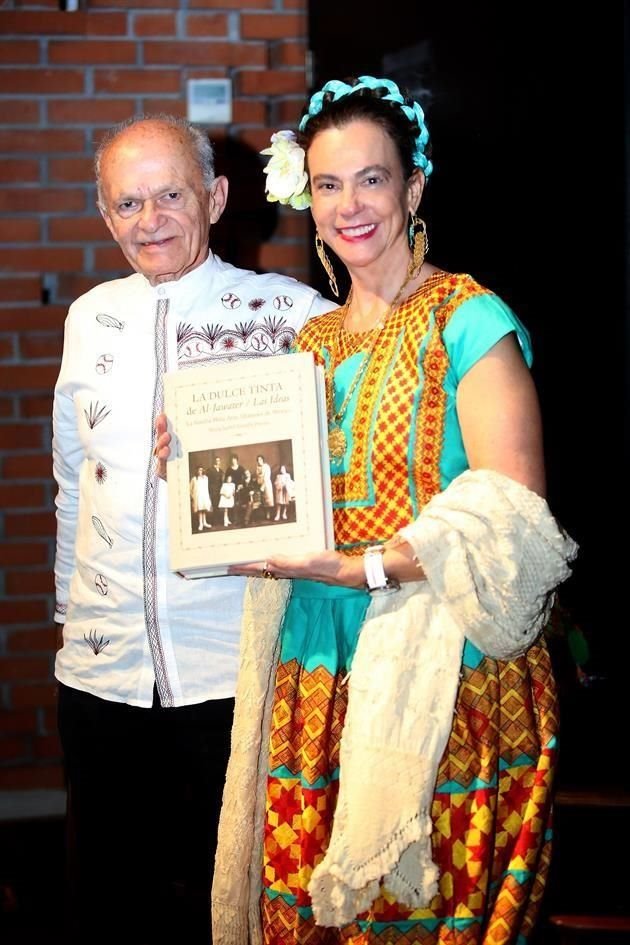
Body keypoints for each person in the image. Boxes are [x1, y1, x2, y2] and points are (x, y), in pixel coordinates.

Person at [210, 77, 579, 945]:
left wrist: (367, 567)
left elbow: (514, 516)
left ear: (413, 188)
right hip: (311, 665)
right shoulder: (313, 341)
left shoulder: (468, 317)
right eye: (330, 185)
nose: (350, 206)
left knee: (415, 913)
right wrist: (199, 469)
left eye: (372, 179)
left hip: (440, 671)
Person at [51, 113, 334, 945]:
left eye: (170, 194)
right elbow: (73, 478)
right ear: (107, 217)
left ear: (212, 197)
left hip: (232, 674)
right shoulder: (89, 318)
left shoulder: (290, 313)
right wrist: (71, 619)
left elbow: (344, 461)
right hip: (101, 676)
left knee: (231, 902)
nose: (150, 220)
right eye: (128, 203)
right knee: (110, 899)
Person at [190, 464, 212, 531]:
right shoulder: (194, 479)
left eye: (201, 470)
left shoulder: (205, 478)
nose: (200, 471)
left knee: (204, 509)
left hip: (204, 496)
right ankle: (200, 524)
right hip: (198, 496)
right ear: (197, 471)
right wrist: (193, 496)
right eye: (199, 470)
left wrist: (207, 496)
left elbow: (206, 488)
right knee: (200, 510)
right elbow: (190, 488)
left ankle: (204, 522)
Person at [255, 453, 273, 520]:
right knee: (262, 500)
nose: (259, 461)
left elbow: (267, 477)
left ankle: (268, 513)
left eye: (260, 459)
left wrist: (263, 486)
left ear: (263, 460)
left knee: (267, 499)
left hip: (266, 484)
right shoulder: (257, 467)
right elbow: (257, 476)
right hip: (260, 484)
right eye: (258, 460)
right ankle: (264, 513)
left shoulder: (266, 466)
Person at [208, 454, 224, 527]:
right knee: (214, 506)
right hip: (213, 490)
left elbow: (222, 481)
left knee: (218, 505)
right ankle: (214, 522)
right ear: (214, 461)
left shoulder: (220, 470)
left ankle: (219, 521)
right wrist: (210, 490)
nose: (218, 462)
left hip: (219, 490)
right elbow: (208, 481)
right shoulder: (210, 470)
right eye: (217, 461)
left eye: (219, 461)